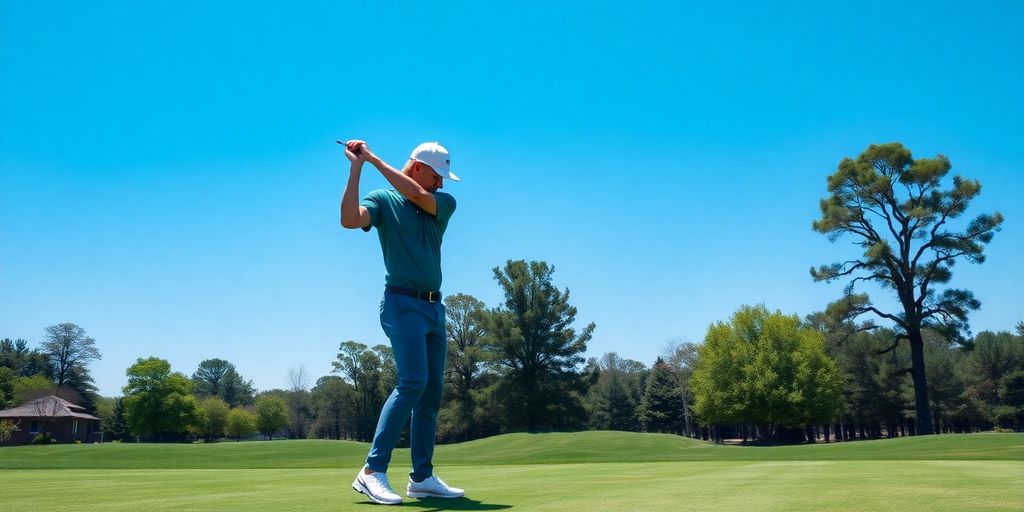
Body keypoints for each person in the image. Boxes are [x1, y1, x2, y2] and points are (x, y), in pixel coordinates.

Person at [339, 139, 465, 505]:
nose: (441, 182)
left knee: (431, 393)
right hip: (401, 304)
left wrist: (373, 158)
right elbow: (349, 220)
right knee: (412, 382)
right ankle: (371, 470)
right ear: (416, 166)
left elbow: (417, 195)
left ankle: (422, 477)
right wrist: (356, 168)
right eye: (437, 174)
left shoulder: (442, 203)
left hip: (434, 309)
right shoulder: (383, 199)